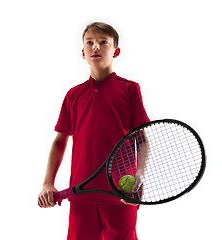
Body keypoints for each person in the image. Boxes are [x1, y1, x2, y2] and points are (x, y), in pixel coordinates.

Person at [38, 22, 150, 240]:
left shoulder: (129, 89)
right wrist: (47, 183)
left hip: (121, 193)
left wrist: (139, 176)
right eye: (89, 43)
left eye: (103, 42)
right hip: (82, 194)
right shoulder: (73, 95)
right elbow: (60, 141)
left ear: (115, 51)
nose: (95, 47)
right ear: (83, 52)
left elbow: (142, 140)